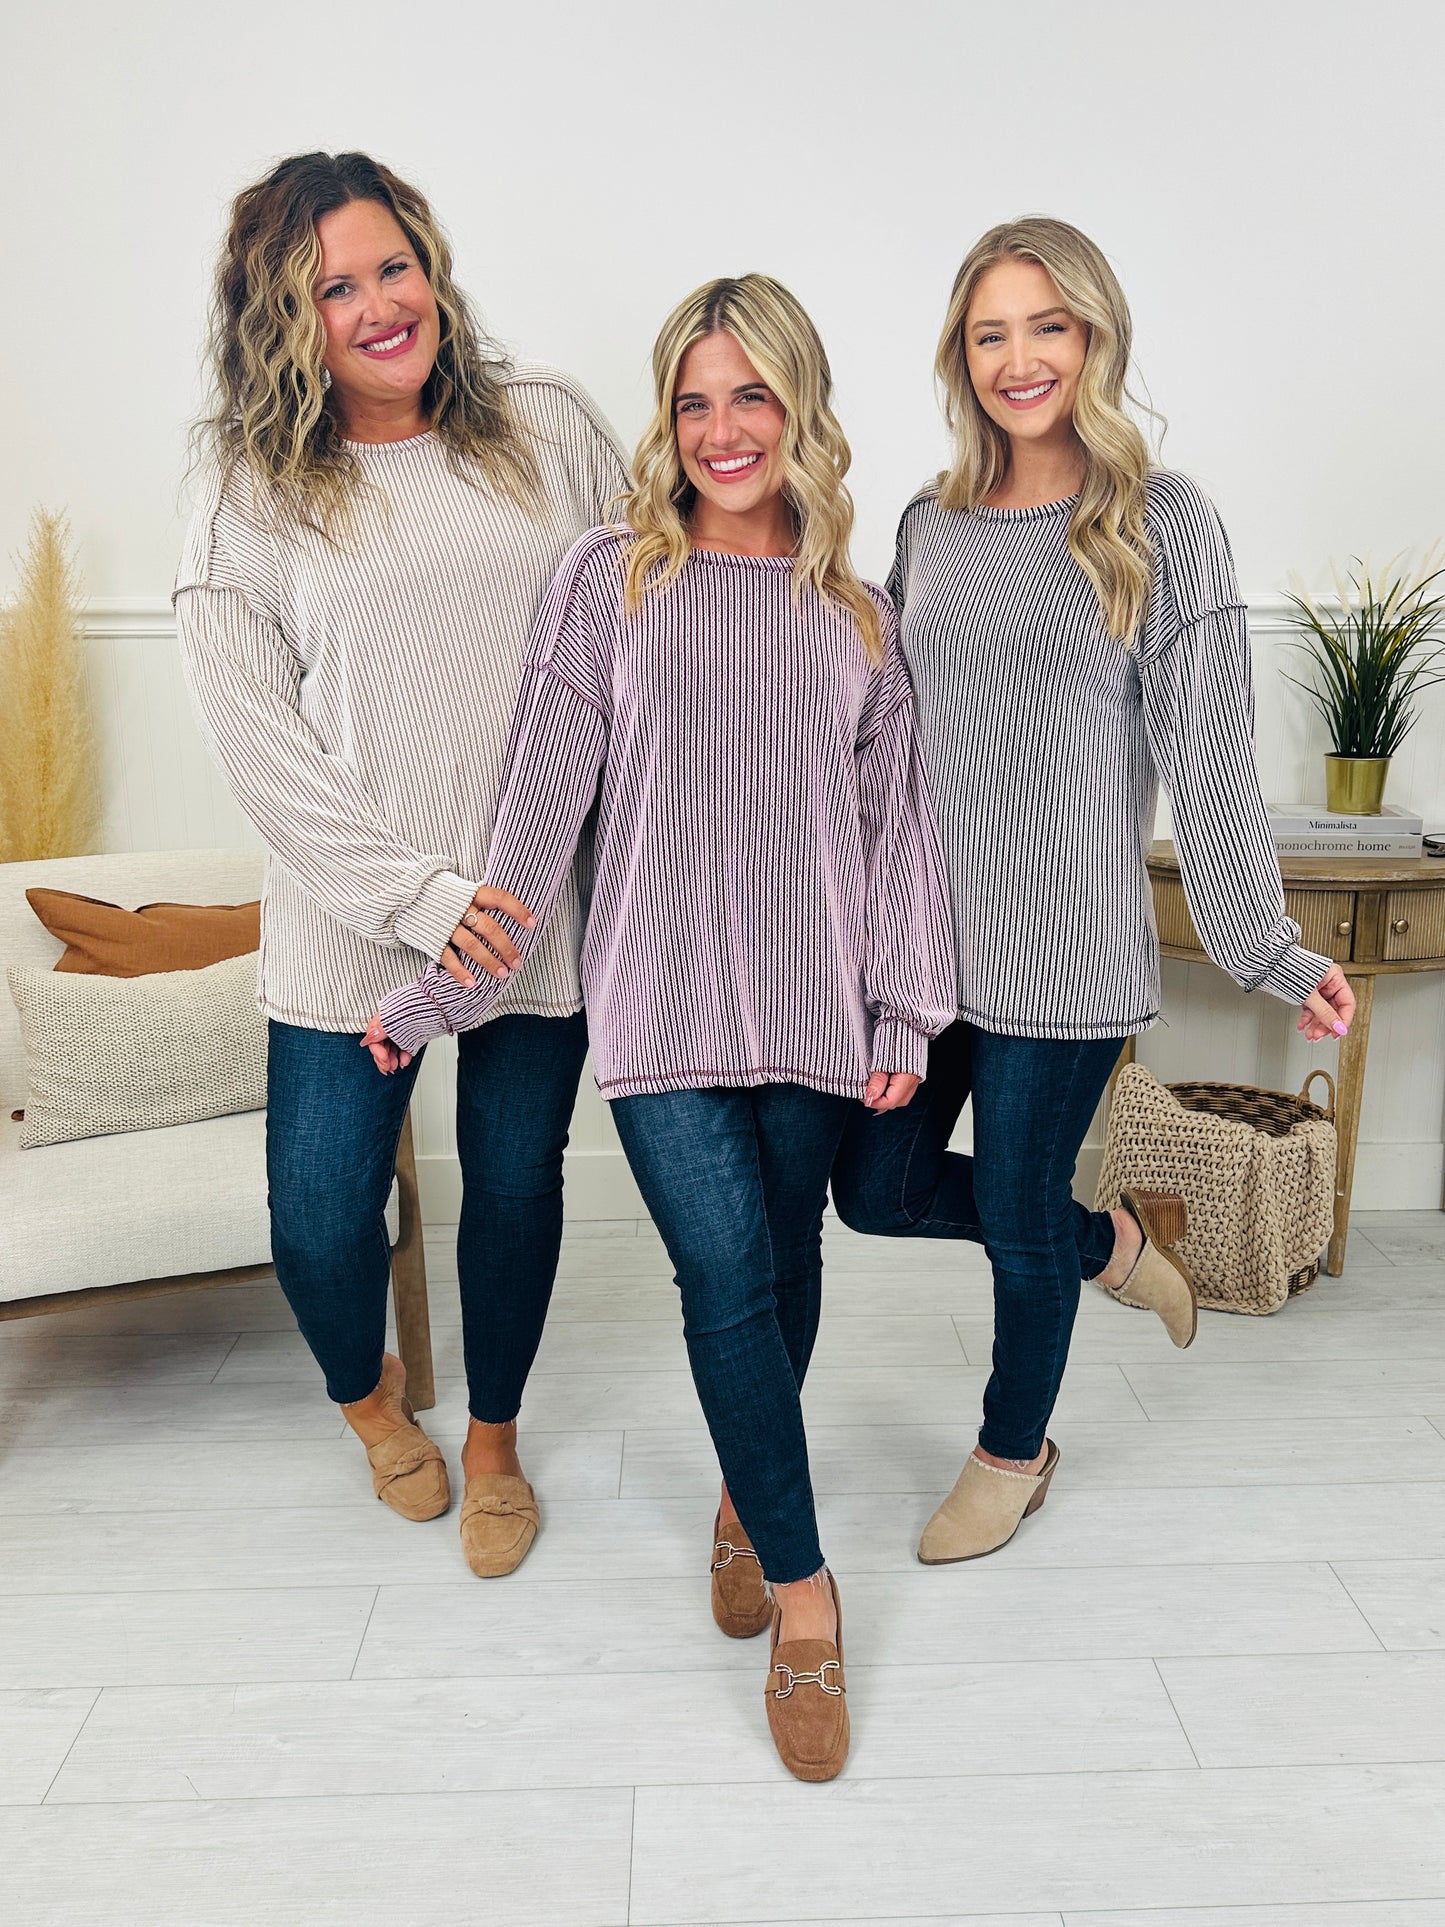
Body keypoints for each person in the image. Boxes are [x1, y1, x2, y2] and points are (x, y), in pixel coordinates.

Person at [365, 274, 956, 1779]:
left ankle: (748, 1501)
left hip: (820, 1003)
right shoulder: (604, 581)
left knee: (788, 1255)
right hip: (655, 997)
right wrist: (452, 985)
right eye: (693, 402)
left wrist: (903, 1005)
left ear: (800, 410)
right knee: (723, 1271)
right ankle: (809, 1596)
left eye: (751, 396)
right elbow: (537, 811)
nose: (720, 430)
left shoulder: (861, 619)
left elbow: (901, 833)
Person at [830, 216, 1356, 1566]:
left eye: (1047, 327)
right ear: (961, 355)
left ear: (1095, 338)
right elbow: (888, 733)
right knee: (874, 1187)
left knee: (1015, 1218)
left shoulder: (1161, 522)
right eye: (990, 333)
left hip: (1064, 952)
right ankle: (1112, 1246)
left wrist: (1271, 951)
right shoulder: (931, 521)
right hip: (927, 944)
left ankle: (1014, 1454)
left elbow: (1208, 753)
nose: (1019, 359)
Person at [174, 151, 627, 1577]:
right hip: (358, 924)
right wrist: (422, 902)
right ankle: (373, 1407)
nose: (380, 306)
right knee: (318, 1222)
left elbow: (646, 618)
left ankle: (493, 1439)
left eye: (394, 267)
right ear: (280, 324)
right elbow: (261, 749)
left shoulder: (546, 425)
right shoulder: (247, 491)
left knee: (515, 1184)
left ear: (431, 268)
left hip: (534, 908)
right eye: (334, 290)